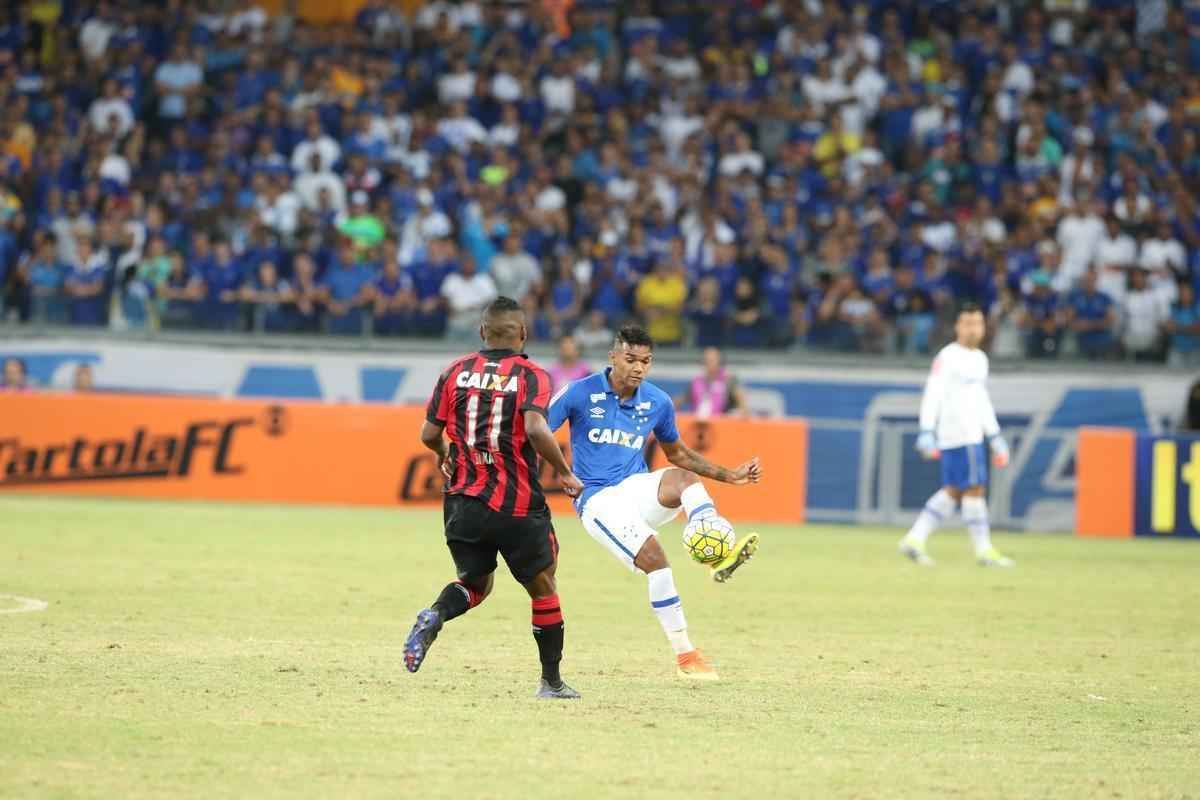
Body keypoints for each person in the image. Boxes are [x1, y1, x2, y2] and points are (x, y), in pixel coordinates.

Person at [548, 324, 763, 681]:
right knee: (656, 560)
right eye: (630, 359)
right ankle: (686, 655)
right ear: (613, 356)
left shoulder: (657, 401)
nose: (638, 368)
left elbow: (676, 452)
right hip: (598, 499)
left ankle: (713, 546)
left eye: (645, 361)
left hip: (635, 487)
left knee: (682, 478)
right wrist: (559, 470)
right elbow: (536, 427)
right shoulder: (579, 393)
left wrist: (730, 475)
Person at [404, 296, 585, 700]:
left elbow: (429, 434)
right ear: (523, 333)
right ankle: (551, 682)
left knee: (475, 583)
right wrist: (565, 472)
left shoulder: (455, 371)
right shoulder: (532, 374)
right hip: (516, 504)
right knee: (543, 586)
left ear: (483, 331)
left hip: (463, 501)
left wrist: (444, 455)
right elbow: (537, 429)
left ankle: (435, 614)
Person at [899, 303, 1015, 568]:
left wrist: (994, 435)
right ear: (957, 327)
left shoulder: (980, 360)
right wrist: (926, 429)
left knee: (953, 490)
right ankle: (984, 550)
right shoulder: (948, 357)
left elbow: (982, 400)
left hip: (972, 432)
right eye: (968, 323)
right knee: (975, 488)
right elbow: (933, 393)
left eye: (978, 323)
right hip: (959, 433)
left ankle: (914, 538)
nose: (974, 329)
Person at [678, 347, 748, 418]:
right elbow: (679, 401)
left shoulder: (729, 380)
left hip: (722, 423)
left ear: (719, 361)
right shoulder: (696, 382)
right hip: (698, 423)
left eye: (712, 360)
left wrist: (735, 415)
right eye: (706, 360)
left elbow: (743, 405)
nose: (708, 363)